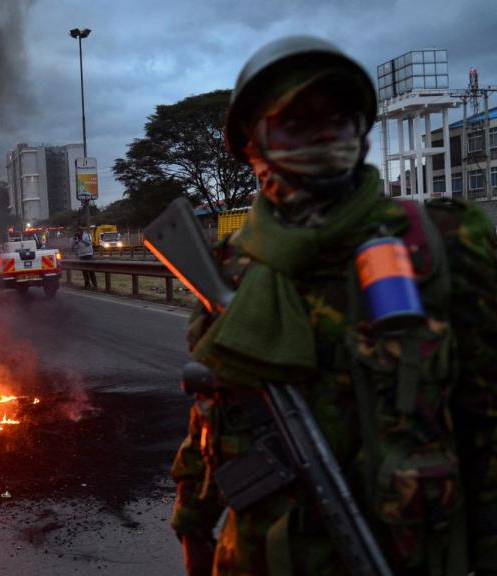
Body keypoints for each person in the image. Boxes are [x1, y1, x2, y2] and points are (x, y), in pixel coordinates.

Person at [170, 36, 497, 575]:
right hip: (260, 557)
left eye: (338, 117)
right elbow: (211, 413)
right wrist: (191, 522)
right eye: (295, 122)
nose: (323, 132)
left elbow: (487, 426)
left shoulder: (443, 242)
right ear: (253, 145)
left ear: (361, 129)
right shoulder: (230, 267)